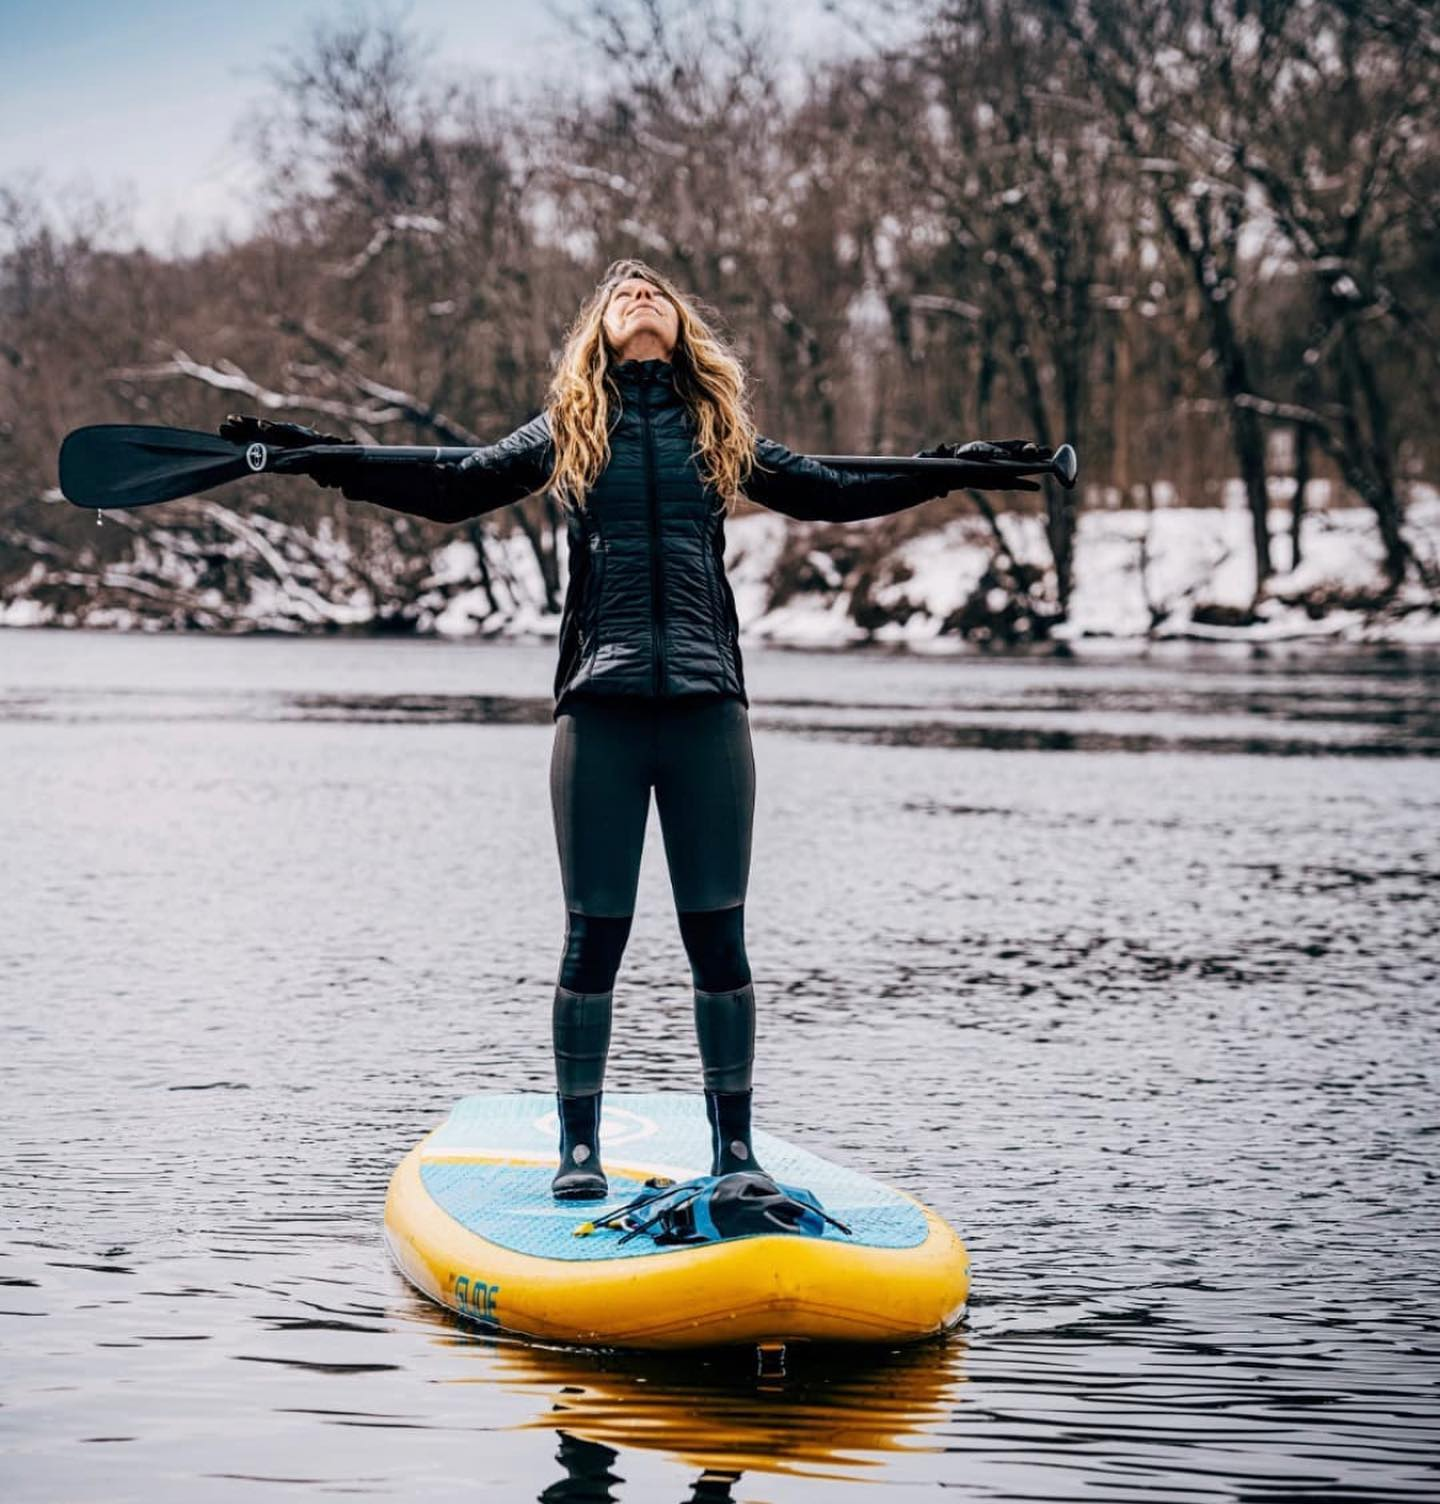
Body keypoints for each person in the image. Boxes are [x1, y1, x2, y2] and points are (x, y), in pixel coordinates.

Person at [220, 258, 1037, 1200]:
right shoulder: (570, 429)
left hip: (707, 712)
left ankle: (735, 1154)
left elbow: (832, 489)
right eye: (622, 293)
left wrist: (944, 474)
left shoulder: (715, 429)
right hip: (599, 712)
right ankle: (578, 1151)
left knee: (719, 942)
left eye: (655, 290)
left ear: (683, 327)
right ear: (598, 332)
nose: (640, 293)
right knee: (590, 943)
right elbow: (452, 485)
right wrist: (314, 454)